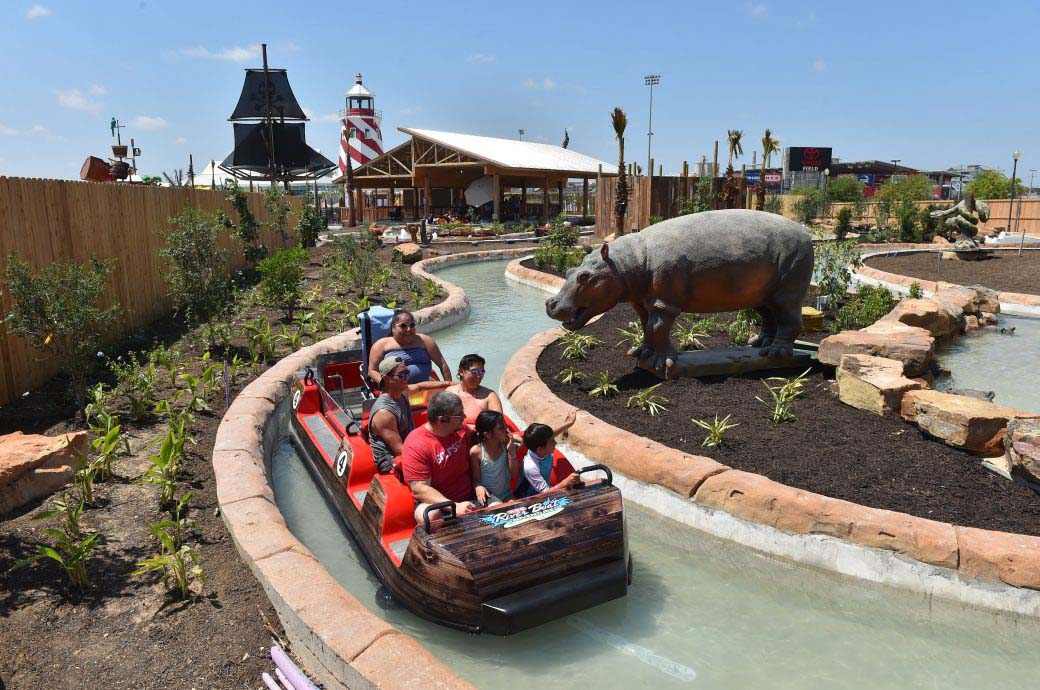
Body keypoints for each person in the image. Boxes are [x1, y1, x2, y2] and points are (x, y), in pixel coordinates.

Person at [401, 392, 492, 525]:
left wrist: (507, 439)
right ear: (442, 420)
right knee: (430, 515)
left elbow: (480, 435)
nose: (464, 417)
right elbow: (420, 489)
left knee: (498, 506)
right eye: (459, 415)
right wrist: (454, 506)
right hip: (439, 504)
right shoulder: (416, 444)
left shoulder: (460, 430)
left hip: (471, 495)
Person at [368, 355, 451, 474]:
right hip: (392, 464)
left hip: (409, 447)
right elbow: (399, 451)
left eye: (407, 373)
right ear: (386, 379)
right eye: (401, 375)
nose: (406, 378)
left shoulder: (401, 392)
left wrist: (449, 383)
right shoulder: (384, 413)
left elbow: (420, 386)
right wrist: (434, 456)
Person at [368, 310, 452, 385]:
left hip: (424, 387)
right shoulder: (381, 345)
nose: (408, 329)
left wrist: (449, 387)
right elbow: (372, 371)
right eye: (403, 326)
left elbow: (442, 364)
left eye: (412, 325)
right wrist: (387, 385)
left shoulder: (425, 341)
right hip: (396, 391)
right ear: (393, 327)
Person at [520, 410, 580, 496]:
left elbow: (552, 434)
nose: (555, 443)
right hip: (529, 499)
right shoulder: (530, 466)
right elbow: (545, 493)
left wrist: (569, 423)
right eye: (552, 441)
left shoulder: (540, 448)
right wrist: (565, 483)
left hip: (545, 491)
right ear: (540, 449)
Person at [469, 410, 522, 504]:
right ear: (488, 434)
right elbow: (476, 480)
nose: (507, 430)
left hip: (507, 495)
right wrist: (478, 487)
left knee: (518, 509)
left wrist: (511, 451)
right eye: (501, 428)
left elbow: (514, 475)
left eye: (506, 426)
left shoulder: (505, 446)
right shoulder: (476, 452)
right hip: (489, 497)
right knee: (499, 507)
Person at [445, 353, 502, 420]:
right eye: (475, 372)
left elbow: (498, 424)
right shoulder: (450, 392)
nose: (479, 376)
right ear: (461, 372)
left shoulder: (489, 396)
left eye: (481, 372)